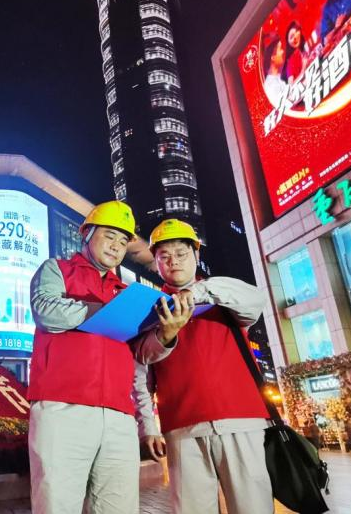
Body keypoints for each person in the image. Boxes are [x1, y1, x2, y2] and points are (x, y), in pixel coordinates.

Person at [27, 201, 194, 514]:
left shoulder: (127, 293)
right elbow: (46, 311)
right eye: (109, 235)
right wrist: (102, 310)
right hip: (63, 408)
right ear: (87, 234)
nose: (117, 246)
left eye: (123, 241)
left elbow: (141, 355)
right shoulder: (57, 269)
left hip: (119, 417)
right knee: (56, 505)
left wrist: (166, 335)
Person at [133, 219, 273, 514]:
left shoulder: (224, 297)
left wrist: (195, 294)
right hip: (181, 427)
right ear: (156, 264)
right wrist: (148, 426)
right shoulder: (149, 311)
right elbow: (141, 373)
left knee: (253, 507)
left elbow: (257, 300)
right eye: (164, 256)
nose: (173, 262)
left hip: (240, 419)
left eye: (181, 253)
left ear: (196, 254)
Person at [262, 36, 288, 105]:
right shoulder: (270, 84)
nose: (283, 51)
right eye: (280, 49)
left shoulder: (279, 76)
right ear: (273, 57)